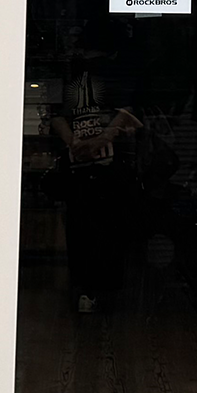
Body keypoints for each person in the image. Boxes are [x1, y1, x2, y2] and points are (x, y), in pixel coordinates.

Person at [50, 81, 140, 314]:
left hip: (107, 171)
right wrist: (76, 142)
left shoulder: (110, 78)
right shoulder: (69, 80)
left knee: (107, 230)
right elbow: (56, 116)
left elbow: (126, 112)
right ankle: (87, 290)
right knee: (83, 232)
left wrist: (100, 139)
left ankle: (101, 291)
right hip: (81, 172)